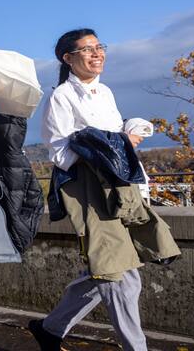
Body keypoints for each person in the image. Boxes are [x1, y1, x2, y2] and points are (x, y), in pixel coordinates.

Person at [29, 29, 151, 351]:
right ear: (68, 59)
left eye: (99, 47)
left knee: (104, 271)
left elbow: (113, 141)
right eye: (88, 49)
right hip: (89, 192)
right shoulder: (61, 97)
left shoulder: (105, 92)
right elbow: (58, 153)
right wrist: (106, 148)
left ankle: (50, 329)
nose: (97, 54)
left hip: (119, 189)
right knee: (118, 275)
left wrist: (125, 136)